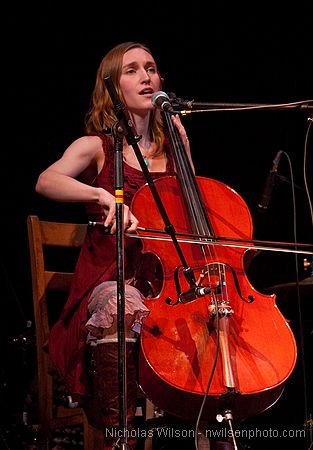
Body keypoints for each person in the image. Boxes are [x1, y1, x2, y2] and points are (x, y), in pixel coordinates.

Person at [35, 41, 194, 450]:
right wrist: (104, 196)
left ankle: (218, 430)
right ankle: (116, 438)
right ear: (111, 87)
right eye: (132, 70)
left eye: (152, 68)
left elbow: (195, 218)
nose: (146, 76)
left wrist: (181, 140)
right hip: (111, 280)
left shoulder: (176, 148)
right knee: (119, 303)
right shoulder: (97, 147)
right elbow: (47, 180)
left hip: (169, 286)